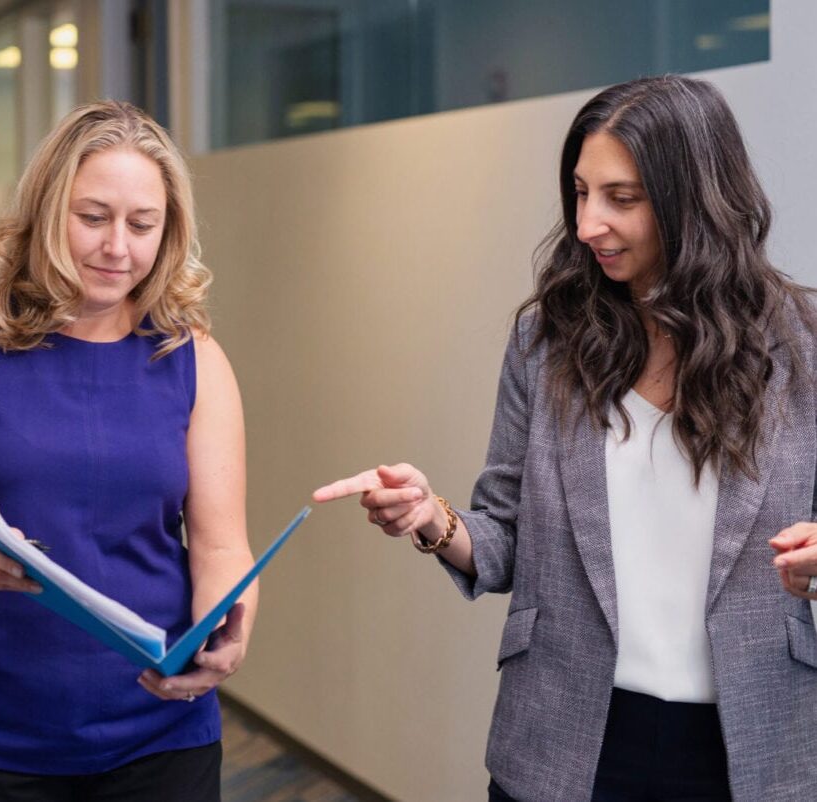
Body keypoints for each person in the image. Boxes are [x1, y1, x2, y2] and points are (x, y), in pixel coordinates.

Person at [314, 75, 817, 802]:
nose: (587, 225)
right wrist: (432, 519)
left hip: (752, 748)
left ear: (694, 199)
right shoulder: (547, 339)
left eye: (622, 197)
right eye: (580, 193)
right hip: (565, 737)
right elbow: (504, 539)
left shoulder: (801, 347)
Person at [0, 100, 253, 801]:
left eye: (142, 225)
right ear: (46, 212)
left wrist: (225, 627)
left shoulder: (194, 357)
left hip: (159, 729)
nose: (118, 249)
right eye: (93, 218)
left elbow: (220, 545)